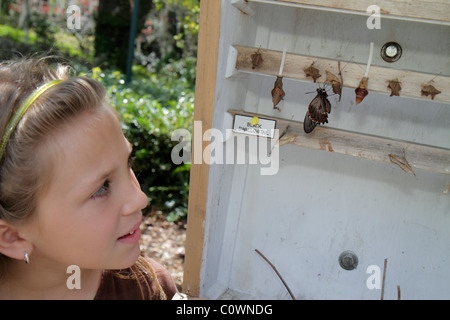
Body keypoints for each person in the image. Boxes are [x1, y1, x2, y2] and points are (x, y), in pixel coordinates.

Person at [0, 55, 178, 299]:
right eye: (101, 188)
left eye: (128, 163)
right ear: (14, 237)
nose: (140, 198)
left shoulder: (147, 289)